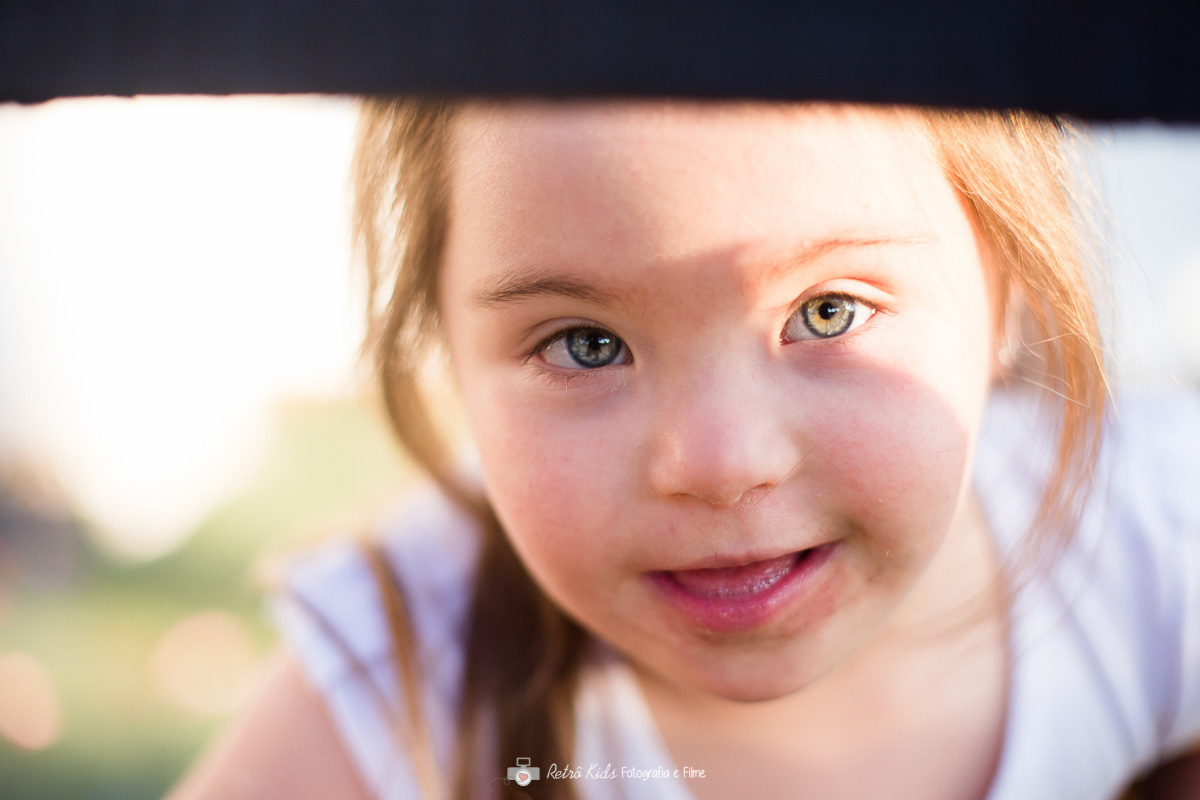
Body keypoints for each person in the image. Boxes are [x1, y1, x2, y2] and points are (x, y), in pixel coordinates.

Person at [169, 99, 1200, 799]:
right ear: (447, 342)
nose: (717, 461)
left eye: (829, 310)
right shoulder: (410, 668)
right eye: (585, 343)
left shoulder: (1164, 541)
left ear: (1007, 285)